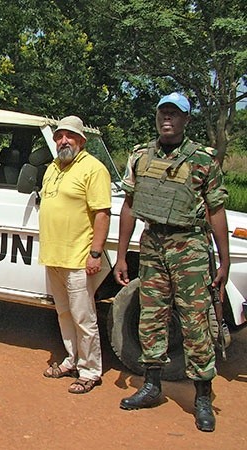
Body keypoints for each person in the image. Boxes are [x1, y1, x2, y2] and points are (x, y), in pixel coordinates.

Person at [114, 93, 229, 432]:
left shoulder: (203, 160)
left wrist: (223, 261)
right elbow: (130, 207)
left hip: (189, 246)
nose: (168, 119)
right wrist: (121, 255)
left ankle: (203, 396)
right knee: (151, 317)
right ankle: (151, 386)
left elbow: (216, 210)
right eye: (163, 113)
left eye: (175, 114)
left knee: (195, 321)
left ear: (186, 120)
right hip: (152, 243)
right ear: (156, 117)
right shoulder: (140, 156)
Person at [38, 115, 111, 394]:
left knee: (84, 316)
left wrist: (95, 253)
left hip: (79, 256)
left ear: (81, 140)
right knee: (64, 313)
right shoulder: (53, 168)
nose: (63, 140)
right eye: (59, 136)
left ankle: (90, 370)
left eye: (69, 136)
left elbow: (102, 213)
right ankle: (72, 359)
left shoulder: (93, 169)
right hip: (53, 255)